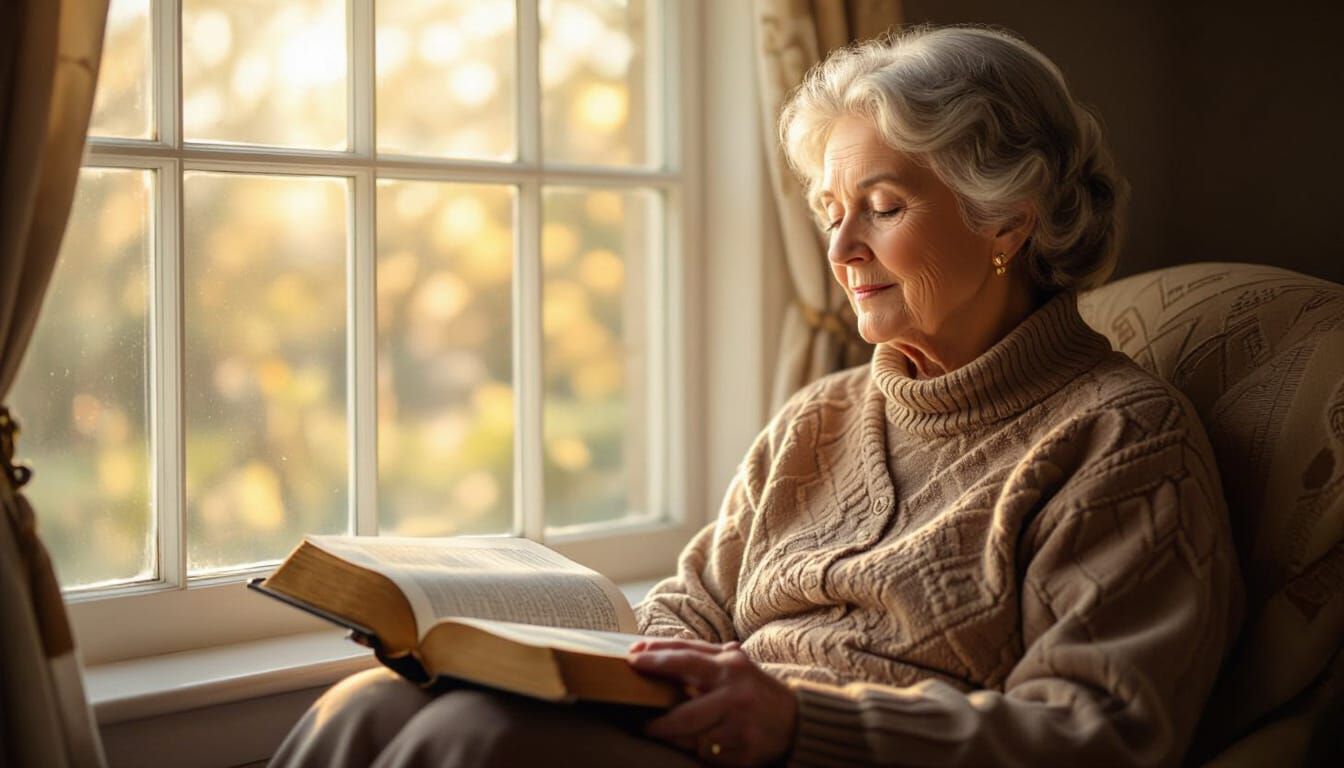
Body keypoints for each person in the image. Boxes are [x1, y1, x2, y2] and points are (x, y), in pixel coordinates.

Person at [270, 24, 1243, 768]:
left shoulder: (1122, 441)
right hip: (708, 740)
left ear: (1007, 219)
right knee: (365, 708)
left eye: (883, 206)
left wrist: (798, 719)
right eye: (831, 211)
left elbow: (1097, 736)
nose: (840, 250)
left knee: (473, 745)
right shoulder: (820, 418)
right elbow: (687, 617)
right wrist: (481, 648)